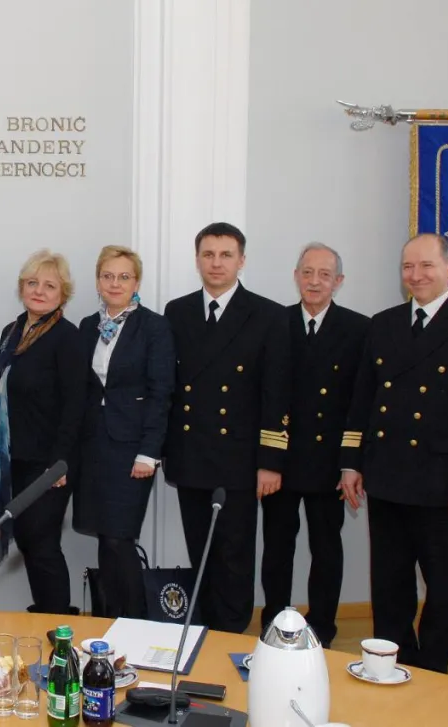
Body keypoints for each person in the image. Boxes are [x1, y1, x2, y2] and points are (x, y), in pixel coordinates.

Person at [339, 233, 448, 674]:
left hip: (442, 483)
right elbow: (363, 399)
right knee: (389, 584)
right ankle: (392, 664)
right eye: (408, 267)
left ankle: (433, 671)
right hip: (386, 477)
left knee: (441, 586)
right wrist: (351, 462)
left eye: (426, 266)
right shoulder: (384, 324)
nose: (415, 276)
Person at [162, 222, 290, 634]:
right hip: (190, 454)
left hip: (239, 459)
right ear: (197, 259)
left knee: (233, 556)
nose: (216, 263)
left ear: (241, 260)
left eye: (226, 255)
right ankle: (204, 632)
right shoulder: (177, 311)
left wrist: (271, 462)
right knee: (200, 553)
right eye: (208, 255)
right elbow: (170, 386)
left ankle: (231, 632)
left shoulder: (268, 314)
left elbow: (276, 394)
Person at [259, 243, 368, 646]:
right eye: (307, 272)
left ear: (338, 281)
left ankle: (322, 626)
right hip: (282, 459)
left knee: (326, 548)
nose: (315, 281)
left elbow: (361, 402)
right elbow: (267, 395)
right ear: (296, 276)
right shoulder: (276, 322)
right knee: (277, 547)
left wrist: (351, 462)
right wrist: (268, 459)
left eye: (324, 274)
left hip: (329, 462)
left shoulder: (359, 328)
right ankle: (275, 621)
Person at [74, 246, 174, 618]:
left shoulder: (154, 326)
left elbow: (161, 392)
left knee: (120, 537)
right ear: (98, 280)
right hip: (94, 446)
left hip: (132, 449)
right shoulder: (88, 325)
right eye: (108, 276)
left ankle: (136, 620)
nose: (115, 283)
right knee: (105, 536)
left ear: (136, 283)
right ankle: (108, 620)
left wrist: (150, 452)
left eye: (124, 277)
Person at [0, 249, 86, 615]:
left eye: (49, 285)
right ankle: (45, 611)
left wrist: (59, 464)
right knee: (29, 540)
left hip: (49, 463)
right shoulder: (11, 332)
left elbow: (76, 405)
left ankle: (59, 623)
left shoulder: (67, 337)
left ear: (63, 294)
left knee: (40, 541)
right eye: (32, 283)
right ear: (22, 287)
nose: (39, 291)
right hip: (14, 458)